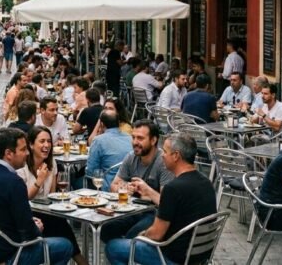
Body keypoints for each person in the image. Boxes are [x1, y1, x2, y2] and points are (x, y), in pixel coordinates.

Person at [0, 128, 73, 265]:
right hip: (4, 256)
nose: (27, 153)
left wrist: (28, 221)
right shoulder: (13, 181)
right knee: (65, 246)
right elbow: (29, 234)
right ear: (8, 153)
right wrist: (36, 228)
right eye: (23, 150)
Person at [105, 133, 217, 265]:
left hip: (172, 258)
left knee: (113, 247)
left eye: (165, 151)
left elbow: (156, 235)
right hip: (200, 256)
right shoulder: (206, 182)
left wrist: (142, 235)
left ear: (176, 156)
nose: (162, 155)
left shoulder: (173, 188)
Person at [17, 126, 90, 265]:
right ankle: (80, 259)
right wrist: (39, 180)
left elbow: (51, 196)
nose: (47, 145)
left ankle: (77, 258)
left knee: (58, 221)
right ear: (31, 145)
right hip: (28, 214)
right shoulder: (22, 167)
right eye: (42, 141)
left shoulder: (52, 164)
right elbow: (25, 197)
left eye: (49, 141)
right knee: (59, 224)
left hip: (46, 211)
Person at [101, 120, 175, 242]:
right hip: (132, 209)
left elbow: (165, 203)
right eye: (133, 137)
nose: (135, 142)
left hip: (155, 214)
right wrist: (124, 188)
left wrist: (147, 190)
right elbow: (113, 185)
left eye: (140, 138)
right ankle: (120, 254)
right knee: (106, 229)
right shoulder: (131, 157)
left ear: (153, 140)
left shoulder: (163, 162)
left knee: (133, 237)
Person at [86, 110, 133, 191]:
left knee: (76, 179)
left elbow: (91, 171)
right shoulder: (131, 138)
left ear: (102, 124)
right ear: (119, 123)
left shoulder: (98, 140)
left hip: (107, 188)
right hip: (129, 187)